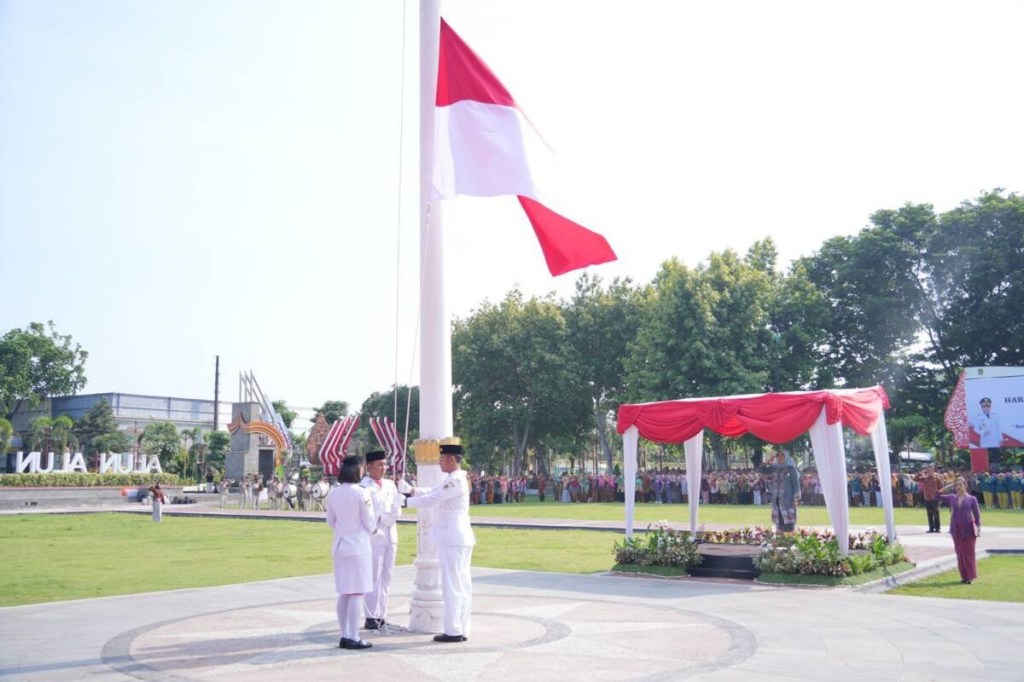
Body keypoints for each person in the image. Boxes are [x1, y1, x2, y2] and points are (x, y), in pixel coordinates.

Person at [399, 443, 475, 643]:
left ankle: (453, 630)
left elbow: (434, 498)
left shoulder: (455, 480)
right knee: (461, 584)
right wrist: (413, 490)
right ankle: (461, 627)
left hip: (452, 538)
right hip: (456, 537)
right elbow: (433, 491)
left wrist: (405, 502)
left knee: (452, 585)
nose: (440, 463)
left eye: (442, 459)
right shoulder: (453, 479)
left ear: (451, 459)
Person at [326, 454, 378, 650]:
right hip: (358, 546)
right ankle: (353, 636)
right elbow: (369, 521)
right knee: (357, 592)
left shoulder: (334, 492)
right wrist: (375, 531)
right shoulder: (361, 492)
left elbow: (331, 521)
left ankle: (344, 634)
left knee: (344, 593)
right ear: (358, 470)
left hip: (340, 545)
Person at [360, 450, 403, 632]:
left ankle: (381, 614)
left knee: (387, 575)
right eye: (379, 465)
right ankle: (371, 615)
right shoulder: (364, 487)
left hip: (390, 533)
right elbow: (365, 512)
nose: (383, 468)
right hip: (374, 535)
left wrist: (394, 514)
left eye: (385, 464)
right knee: (373, 575)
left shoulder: (389, 484)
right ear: (369, 467)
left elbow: (397, 505)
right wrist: (380, 519)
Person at [937, 477, 981, 584]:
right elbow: (936, 496)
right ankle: (964, 577)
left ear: (965, 485)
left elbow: (977, 514)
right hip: (956, 529)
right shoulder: (952, 497)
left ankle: (971, 577)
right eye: (956, 485)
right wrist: (947, 487)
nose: (958, 487)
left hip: (968, 529)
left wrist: (978, 527)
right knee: (960, 553)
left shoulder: (972, 499)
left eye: (960, 484)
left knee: (969, 553)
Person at [766, 450, 801, 532]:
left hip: (788, 498)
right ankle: (779, 540)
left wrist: (795, 498)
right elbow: (761, 469)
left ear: (786, 456)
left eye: (782, 455)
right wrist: (769, 460)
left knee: (789, 521)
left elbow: (795, 483)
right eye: (778, 455)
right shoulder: (774, 468)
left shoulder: (791, 468)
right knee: (779, 520)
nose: (780, 457)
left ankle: (789, 540)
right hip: (776, 498)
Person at [915, 466, 943, 533]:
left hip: (935, 498)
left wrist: (940, 497)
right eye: (927, 471)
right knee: (929, 514)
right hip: (927, 498)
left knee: (936, 513)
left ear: (933, 471)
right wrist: (920, 473)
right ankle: (931, 528)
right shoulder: (924, 479)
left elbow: (941, 488)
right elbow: (915, 479)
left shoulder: (937, 478)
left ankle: (937, 528)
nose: (928, 472)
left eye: (930, 471)